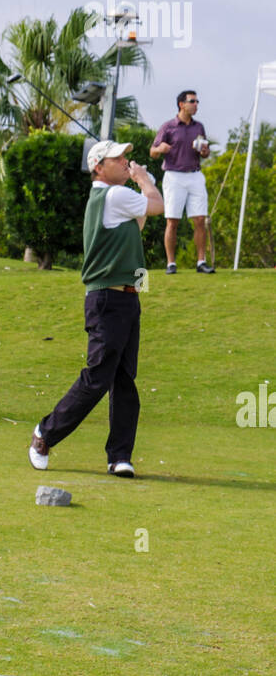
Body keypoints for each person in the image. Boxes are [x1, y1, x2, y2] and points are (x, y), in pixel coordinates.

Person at [28, 140, 164, 480]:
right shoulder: (113, 195)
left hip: (127, 296)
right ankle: (45, 433)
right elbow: (157, 206)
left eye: (124, 157)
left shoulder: (115, 200)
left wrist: (140, 186)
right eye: (117, 158)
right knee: (98, 377)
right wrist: (144, 179)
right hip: (108, 298)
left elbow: (141, 221)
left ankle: (120, 456)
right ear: (99, 167)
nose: (125, 161)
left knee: (124, 380)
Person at [150, 90, 214, 273]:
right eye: (192, 101)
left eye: (197, 101)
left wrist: (205, 152)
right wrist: (160, 148)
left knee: (200, 219)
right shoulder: (168, 127)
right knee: (172, 221)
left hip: (195, 175)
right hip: (174, 176)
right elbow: (152, 152)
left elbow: (205, 151)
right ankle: (171, 264)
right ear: (181, 104)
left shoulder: (199, 127)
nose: (196, 104)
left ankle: (201, 262)